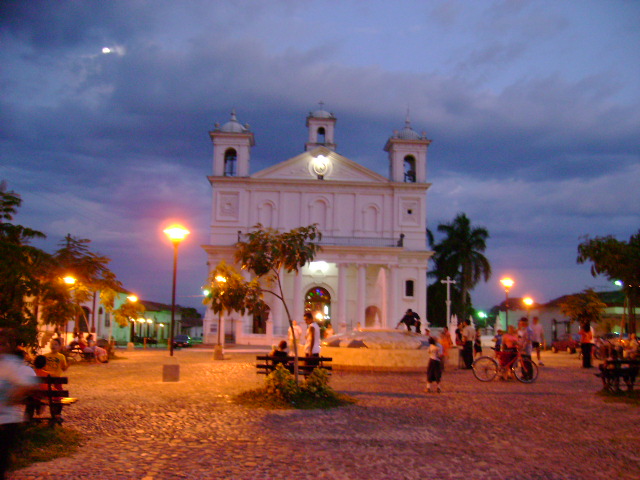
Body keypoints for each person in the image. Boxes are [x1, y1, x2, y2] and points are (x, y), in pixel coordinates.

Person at [0, 329, 38, 479]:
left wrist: (11, 398)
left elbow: (27, 384)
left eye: (2, 344)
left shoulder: (10, 363)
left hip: (6, 420)